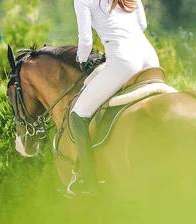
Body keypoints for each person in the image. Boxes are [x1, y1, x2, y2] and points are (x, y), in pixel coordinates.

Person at [70, 0, 160, 196]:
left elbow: (85, 42)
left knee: (77, 115)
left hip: (123, 60)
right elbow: (142, 24)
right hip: (149, 57)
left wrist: (82, 60)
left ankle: (88, 180)